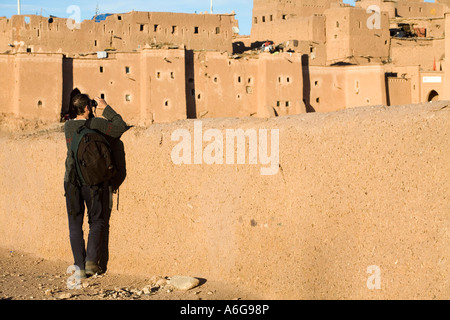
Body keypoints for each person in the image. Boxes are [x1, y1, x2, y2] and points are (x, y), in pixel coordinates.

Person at [64, 93, 129, 278]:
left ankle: (79, 266)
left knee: (75, 224)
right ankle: (92, 262)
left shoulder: (67, 127)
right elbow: (120, 127)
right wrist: (105, 107)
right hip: (92, 181)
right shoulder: (95, 124)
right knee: (97, 221)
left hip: (70, 180)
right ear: (87, 108)